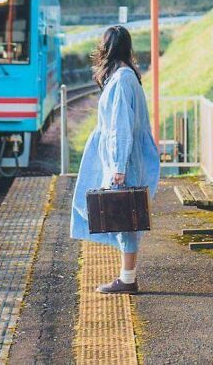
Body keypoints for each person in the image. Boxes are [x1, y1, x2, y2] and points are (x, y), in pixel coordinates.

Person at [70, 25, 160, 293]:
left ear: (106, 48)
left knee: (125, 217)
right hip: (126, 156)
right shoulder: (126, 75)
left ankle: (128, 279)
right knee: (124, 216)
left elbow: (120, 127)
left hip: (125, 158)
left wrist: (118, 167)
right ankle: (126, 276)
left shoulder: (121, 79)